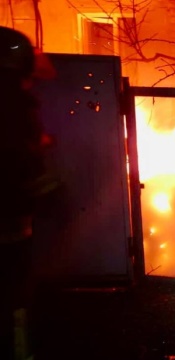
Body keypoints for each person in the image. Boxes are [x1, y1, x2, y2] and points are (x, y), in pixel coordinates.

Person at [0, 26, 54, 360]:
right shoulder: (13, 103)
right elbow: (17, 157)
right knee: (13, 291)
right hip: (8, 216)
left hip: (11, 210)